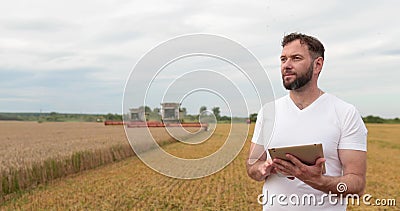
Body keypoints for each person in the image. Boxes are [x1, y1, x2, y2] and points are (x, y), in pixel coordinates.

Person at [246, 33, 367, 210]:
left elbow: (356, 183)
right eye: (283, 59)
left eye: (296, 58)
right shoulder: (268, 112)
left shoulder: (345, 113)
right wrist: (262, 169)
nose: (286, 65)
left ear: (317, 65)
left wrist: (318, 181)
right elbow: (252, 166)